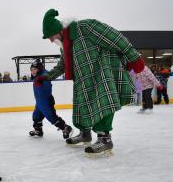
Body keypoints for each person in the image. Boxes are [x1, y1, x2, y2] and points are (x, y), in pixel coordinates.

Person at [40, 9, 144, 156]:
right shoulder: (65, 44)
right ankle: (85, 133)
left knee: (104, 103)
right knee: (81, 105)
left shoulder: (85, 27)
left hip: (102, 71)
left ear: (58, 30)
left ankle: (105, 139)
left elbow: (114, 37)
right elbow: (62, 65)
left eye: (51, 36)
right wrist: (46, 76)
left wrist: (134, 57)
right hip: (83, 78)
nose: (51, 40)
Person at [29, 59, 73, 139]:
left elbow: (47, 83)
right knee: (36, 116)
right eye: (32, 70)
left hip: (46, 101)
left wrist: (42, 80)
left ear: (40, 69)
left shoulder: (44, 76)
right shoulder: (37, 77)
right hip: (39, 102)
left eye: (35, 69)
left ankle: (66, 128)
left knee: (51, 117)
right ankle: (38, 130)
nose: (33, 71)